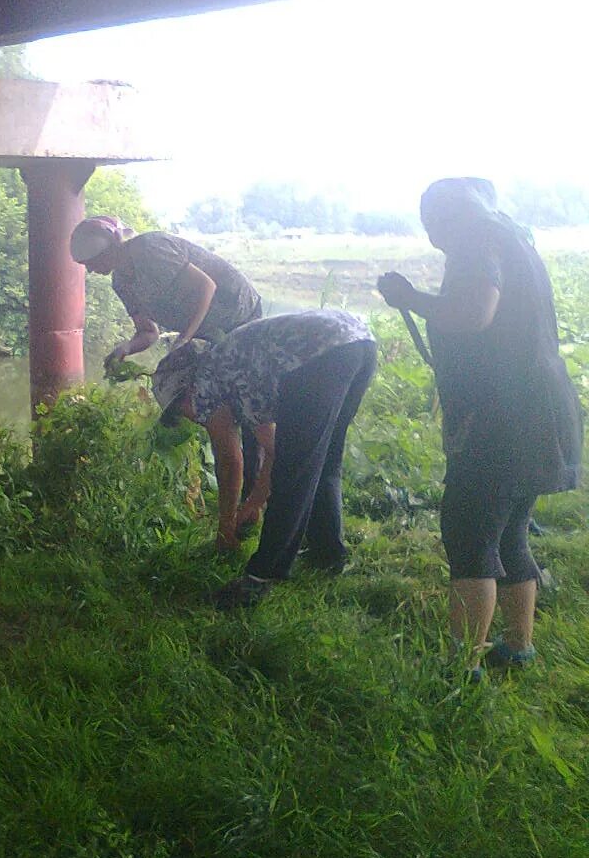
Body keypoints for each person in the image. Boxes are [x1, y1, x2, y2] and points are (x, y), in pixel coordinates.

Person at [377, 177, 581, 677]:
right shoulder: (512, 239)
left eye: (433, 224)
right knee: (509, 533)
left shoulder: (476, 243)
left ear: (447, 217)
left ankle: (461, 667)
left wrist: (410, 297)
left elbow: (471, 315)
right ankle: (518, 647)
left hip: (502, 418)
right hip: (536, 411)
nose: (433, 238)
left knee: (469, 538)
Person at [151, 309, 377, 609]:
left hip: (317, 356)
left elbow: (229, 462)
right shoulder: (235, 370)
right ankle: (328, 556)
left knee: (293, 473)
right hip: (356, 343)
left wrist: (225, 527)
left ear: (186, 389)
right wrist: (255, 502)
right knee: (323, 461)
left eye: (180, 409)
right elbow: (271, 448)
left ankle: (258, 579)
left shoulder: (206, 385)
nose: (189, 417)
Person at [72, 215, 264, 499]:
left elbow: (206, 287)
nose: (89, 270)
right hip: (206, 333)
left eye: (91, 261)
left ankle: (256, 490)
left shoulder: (151, 248)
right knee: (215, 404)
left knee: (249, 405)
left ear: (111, 248)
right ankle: (230, 490)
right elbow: (147, 332)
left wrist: (185, 338)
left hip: (238, 314)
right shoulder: (121, 283)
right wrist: (126, 347)